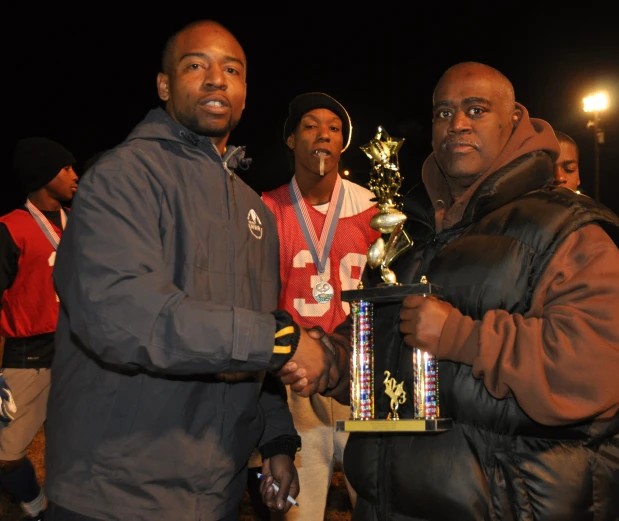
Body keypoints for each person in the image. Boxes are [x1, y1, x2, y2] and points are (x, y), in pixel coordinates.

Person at [282, 61, 619, 520]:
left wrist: (460, 335)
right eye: (443, 113)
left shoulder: (565, 229)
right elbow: (388, 358)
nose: (457, 125)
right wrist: (333, 361)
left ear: (513, 121)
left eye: (476, 110)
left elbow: (595, 368)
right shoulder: (406, 232)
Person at [42, 20, 339, 521]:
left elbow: (253, 334)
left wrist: (277, 440)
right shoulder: (122, 177)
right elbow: (120, 315)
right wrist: (282, 340)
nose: (216, 79)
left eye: (232, 70)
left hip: (215, 494)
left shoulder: (255, 211)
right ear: (164, 85)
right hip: (116, 493)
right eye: (196, 65)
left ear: (244, 94)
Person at [255, 92, 380, 520]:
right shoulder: (263, 210)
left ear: (343, 142)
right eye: (310, 125)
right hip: (294, 381)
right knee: (299, 512)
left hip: (360, 378)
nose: (323, 134)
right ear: (291, 140)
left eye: (334, 127)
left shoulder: (376, 209)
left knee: (382, 507)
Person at [0, 137, 78, 521]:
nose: (74, 175)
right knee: (5, 457)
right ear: (45, 175)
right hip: (28, 355)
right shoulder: (9, 228)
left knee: (84, 450)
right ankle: (35, 505)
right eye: (65, 168)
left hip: (80, 352)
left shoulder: (82, 224)